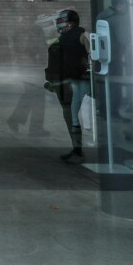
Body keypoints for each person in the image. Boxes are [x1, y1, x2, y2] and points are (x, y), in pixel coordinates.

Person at [50, 10, 91, 163]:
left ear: (71, 22)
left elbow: (93, 57)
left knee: (75, 116)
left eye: (62, 20)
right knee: (71, 116)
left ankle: (78, 150)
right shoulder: (62, 38)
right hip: (68, 82)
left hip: (81, 82)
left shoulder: (82, 35)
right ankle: (76, 148)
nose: (58, 22)